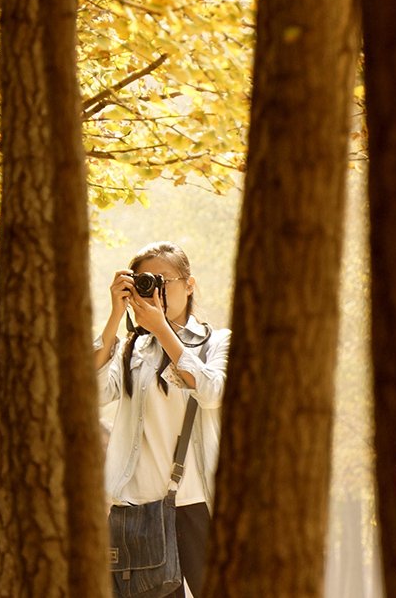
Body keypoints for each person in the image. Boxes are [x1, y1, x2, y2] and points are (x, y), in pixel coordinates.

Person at [95, 241, 231, 598]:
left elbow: (213, 391)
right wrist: (114, 317)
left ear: (189, 285)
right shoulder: (129, 349)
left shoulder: (216, 342)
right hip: (139, 509)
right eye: (144, 281)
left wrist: (162, 330)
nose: (155, 289)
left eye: (163, 280)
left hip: (199, 504)